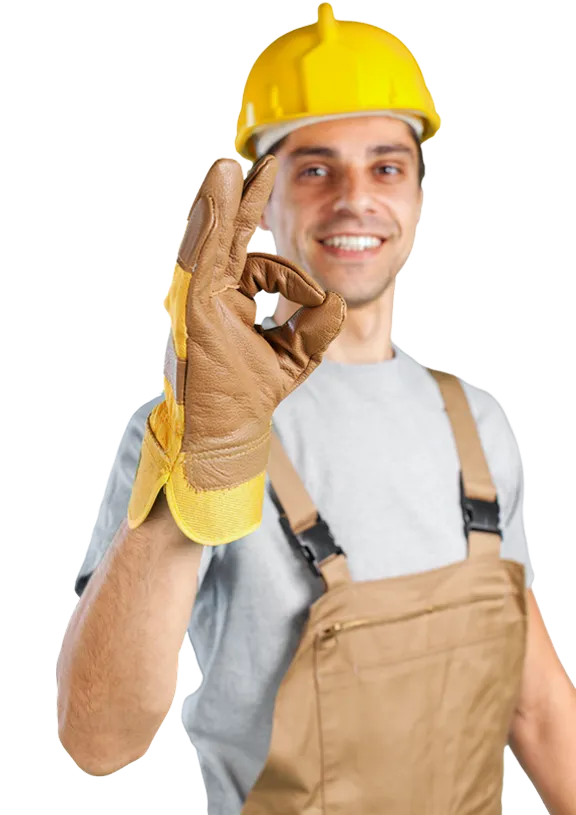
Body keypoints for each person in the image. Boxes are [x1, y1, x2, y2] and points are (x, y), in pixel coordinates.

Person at [56, 4, 576, 814]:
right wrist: (208, 454)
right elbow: (98, 737)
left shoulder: (478, 425)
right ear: (259, 202)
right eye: (314, 167)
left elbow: (537, 707)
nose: (354, 198)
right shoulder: (182, 433)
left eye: (386, 166)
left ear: (417, 191)